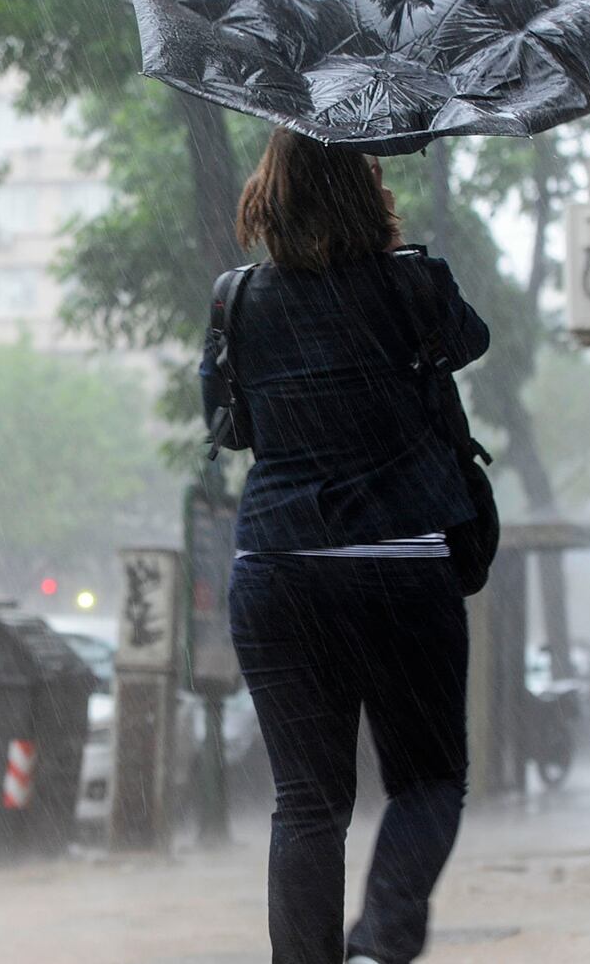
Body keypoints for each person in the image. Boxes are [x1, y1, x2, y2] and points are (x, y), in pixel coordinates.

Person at [201, 128, 490, 964]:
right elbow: (471, 343)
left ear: (270, 193)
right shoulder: (413, 286)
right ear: (366, 193)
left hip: (277, 569)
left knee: (307, 801)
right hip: (400, 564)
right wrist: (396, 263)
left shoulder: (238, 300)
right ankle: (381, 944)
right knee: (430, 777)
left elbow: (228, 423)